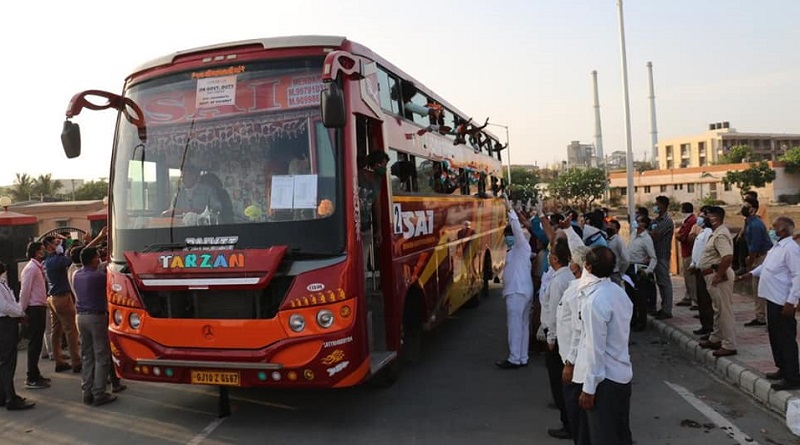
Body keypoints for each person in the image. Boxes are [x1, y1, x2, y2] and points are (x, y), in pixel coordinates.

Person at [574, 246, 633, 445]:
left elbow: (594, 349)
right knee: (619, 433)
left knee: (603, 436)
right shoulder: (618, 293)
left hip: (604, 380)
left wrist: (588, 388)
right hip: (622, 376)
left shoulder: (594, 301)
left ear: (587, 267)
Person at [736, 217, 800, 390]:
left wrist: (791, 302)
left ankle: (793, 377)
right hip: (771, 298)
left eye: (775, 228)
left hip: (782, 300)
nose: (772, 230)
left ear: (784, 230)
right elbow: (766, 266)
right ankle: (783, 368)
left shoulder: (791, 249)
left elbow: (797, 276)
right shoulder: (777, 247)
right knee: (775, 336)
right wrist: (750, 274)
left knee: (786, 338)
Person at [73, 247, 118, 407]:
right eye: (98, 256)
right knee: (101, 355)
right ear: (93, 259)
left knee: (87, 355)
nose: (99, 259)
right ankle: (99, 392)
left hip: (80, 317)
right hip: (96, 317)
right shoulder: (98, 277)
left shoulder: (76, 275)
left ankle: (87, 391)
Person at [542, 238, 576, 440]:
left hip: (557, 338)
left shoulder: (558, 281)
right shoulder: (567, 276)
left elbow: (555, 311)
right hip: (564, 335)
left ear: (554, 259)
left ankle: (568, 424)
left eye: (550, 253)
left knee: (558, 382)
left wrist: (551, 337)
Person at [558, 245, 591, 445]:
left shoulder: (578, 292)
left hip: (577, 364)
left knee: (578, 416)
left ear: (576, 266)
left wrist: (569, 363)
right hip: (576, 361)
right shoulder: (576, 288)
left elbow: (579, 331)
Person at [496, 195, 533, 369]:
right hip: (520, 292)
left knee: (515, 326)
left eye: (508, 235)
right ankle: (522, 357)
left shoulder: (521, 246)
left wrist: (511, 212)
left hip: (517, 293)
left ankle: (514, 358)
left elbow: (517, 231)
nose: (507, 238)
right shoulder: (515, 251)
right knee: (523, 326)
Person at [697, 206, 737, 357]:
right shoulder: (716, 233)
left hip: (718, 276)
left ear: (715, 218)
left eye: (707, 216)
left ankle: (729, 344)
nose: (704, 218)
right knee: (718, 310)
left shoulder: (720, 235)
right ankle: (716, 338)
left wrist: (719, 275)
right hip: (712, 275)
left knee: (724, 311)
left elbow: (727, 257)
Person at [42, 235, 81, 373]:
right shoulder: (56, 260)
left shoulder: (46, 261)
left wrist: (61, 248)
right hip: (62, 298)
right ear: (48, 247)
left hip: (52, 298)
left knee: (56, 331)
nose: (57, 244)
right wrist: (62, 250)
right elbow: (69, 260)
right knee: (71, 330)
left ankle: (59, 360)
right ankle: (76, 361)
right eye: (55, 243)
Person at [0, 262, 36, 410]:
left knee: (5, 361)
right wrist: (20, 313)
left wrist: (19, 311)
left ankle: (5, 395)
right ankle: (10, 398)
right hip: (5, 323)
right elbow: (4, 307)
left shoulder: (2, 283)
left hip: (7, 321)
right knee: (8, 362)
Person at [18, 241, 51, 389]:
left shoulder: (37, 267)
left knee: (37, 343)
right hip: (34, 308)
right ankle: (31, 377)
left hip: (39, 306)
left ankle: (35, 373)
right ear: (37, 252)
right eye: (42, 250)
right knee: (34, 343)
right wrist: (22, 310)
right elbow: (24, 291)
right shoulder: (31, 269)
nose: (44, 252)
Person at [740, 197, 772, 327]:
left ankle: (761, 317)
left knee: (759, 288)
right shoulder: (750, 222)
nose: (743, 208)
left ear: (752, 209)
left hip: (761, 257)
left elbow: (755, 247)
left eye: (746, 206)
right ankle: (760, 316)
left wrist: (749, 264)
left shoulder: (755, 225)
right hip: (758, 256)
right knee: (758, 288)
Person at [358, 151, 389, 283]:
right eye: (383, 164)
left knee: (363, 266)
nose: (385, 168)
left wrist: (379, 230)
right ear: (376, 164)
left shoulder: (378, 180)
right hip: (354, 226)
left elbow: (376, 205)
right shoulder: (357, 175)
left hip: (366, 226)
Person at [625, 215, 657, 332]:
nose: (635, 223)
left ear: (644, 224)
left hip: (638, 268)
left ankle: (641, 322)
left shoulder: (646, 239)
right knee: (630, 296)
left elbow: (653, 257)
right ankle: (633, 319)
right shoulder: (633, 234)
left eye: (638, 221)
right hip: (629, 267)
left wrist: (648, 271)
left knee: (640, 297)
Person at [688, 207, 714, 336]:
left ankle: (709, 327)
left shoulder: (709, 233)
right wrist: (693, 264)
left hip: (705, 269)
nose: (700, 219)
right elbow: (697, 251)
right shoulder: (703, 232)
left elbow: (706, 252)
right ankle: (704, 325)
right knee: (701, 299)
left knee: (706, 299)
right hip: (698, 268)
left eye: (703, 217)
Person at [649, 195, 674, 320]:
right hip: (655, 255)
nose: (656, 206)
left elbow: (656, 235)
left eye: (657, 204)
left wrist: (645, 231)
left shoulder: (666, 221)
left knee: (665, 283)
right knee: (660, 283)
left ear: (663, 205)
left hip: (662, 255)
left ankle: (667, 309)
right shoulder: (656, 220)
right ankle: (663, 308)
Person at [675, 202, 697, 307]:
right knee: (688, 278)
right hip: (686, 251)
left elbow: (683, 236)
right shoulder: (688, 220)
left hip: (689, 252)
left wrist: (677, 235)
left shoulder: (691, 221)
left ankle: (694, 300)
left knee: (691, 278)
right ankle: (688, 297)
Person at [605, 219, 629, 287]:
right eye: (608, 226)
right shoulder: (605, 239)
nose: (609, 229)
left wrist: (620, 273)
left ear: (617, 229)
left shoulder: (618, 241)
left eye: (611, 227)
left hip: (614, 274)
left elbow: (626, 260)